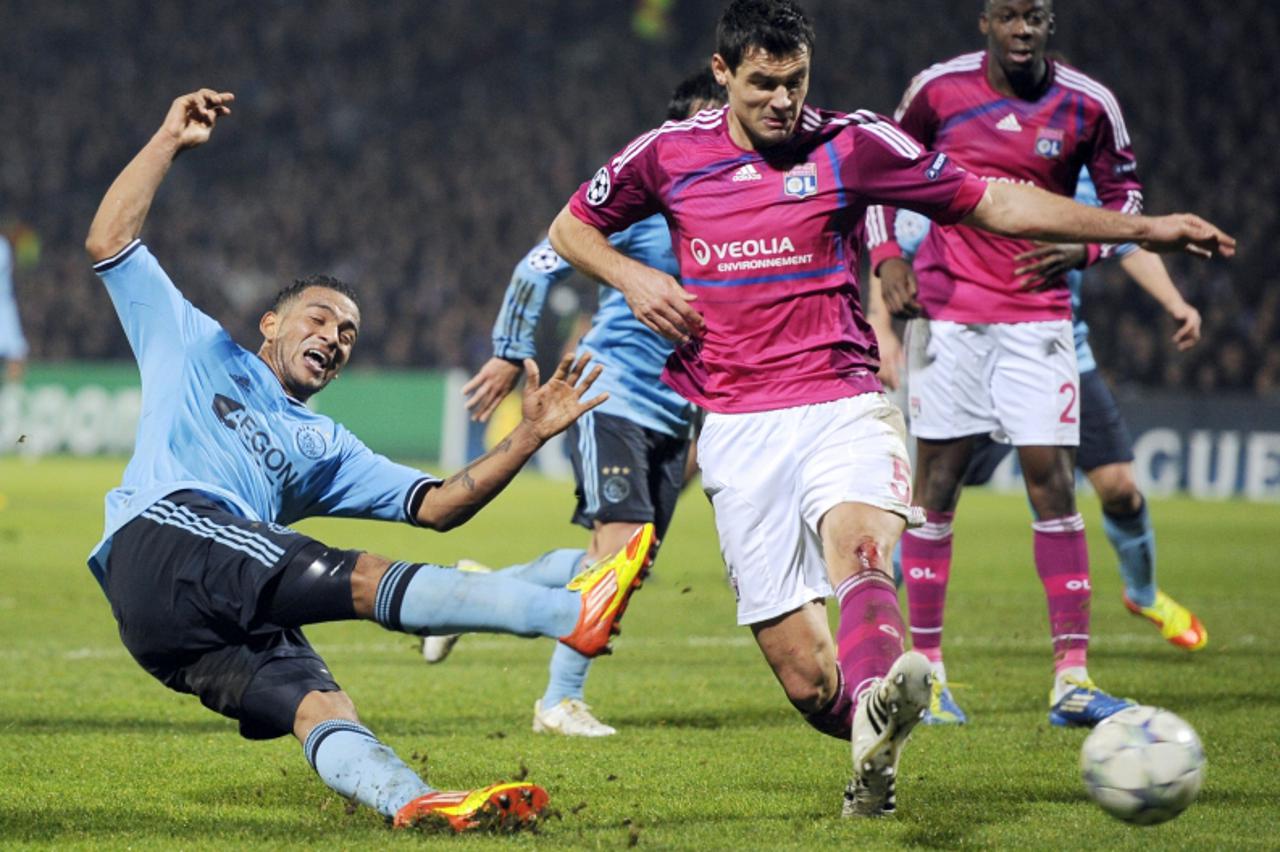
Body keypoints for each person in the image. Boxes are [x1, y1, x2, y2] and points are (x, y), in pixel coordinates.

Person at [546, 0, 1232, 818]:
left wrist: (1141, 227)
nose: (781, 101)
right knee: (805, 680)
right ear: (724, 74)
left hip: (843, 400)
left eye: (795, 81)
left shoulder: (854, 142)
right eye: (763, 83)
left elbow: (997, 201)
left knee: (862, 548)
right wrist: (633, 276)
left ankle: (883, 693)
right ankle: (870, 736)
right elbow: (569, 227)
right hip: (736, 424)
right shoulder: (667, 154)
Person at [83, 89, 658, 834]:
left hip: (182, 620)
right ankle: (567, 612)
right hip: (163, 535)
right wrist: (166, 140)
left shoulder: (324, 447)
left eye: (348, 333)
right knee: (358, 575)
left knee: (320, 702)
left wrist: (527, 435)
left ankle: (413, 801)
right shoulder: (193, 344)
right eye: (319, 318)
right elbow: (110, 243)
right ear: (271, 323)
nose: (334, 336)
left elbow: (441, 506)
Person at [865, 0, 1214, 730]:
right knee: (935, 489)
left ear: (1051, 24)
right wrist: (888, 256)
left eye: (1036, 16)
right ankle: (928, 675)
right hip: (949, 316)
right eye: (1009, 16)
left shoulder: (1090, 106)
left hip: (1039, 323)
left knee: (1054, 484)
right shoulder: (936, 91)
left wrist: (1084, 250)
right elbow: (877, 174)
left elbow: (1126, 208)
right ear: (984, 22)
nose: (1022, 29)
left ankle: (1072, 680)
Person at [425, 68, 726, 739]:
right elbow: (542, 260)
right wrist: (509, 347)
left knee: (623, 566)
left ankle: (464, 597)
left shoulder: (735, 211)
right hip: (610, 392)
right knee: (618, 550)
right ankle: (558, 703)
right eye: (706, 123)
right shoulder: (638, 198)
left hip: (679, 410)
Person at [0, 231, 28, 383]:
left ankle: (8, 398)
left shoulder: (2, 247)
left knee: (15, 354)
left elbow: (17, 357)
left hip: (3, 308)